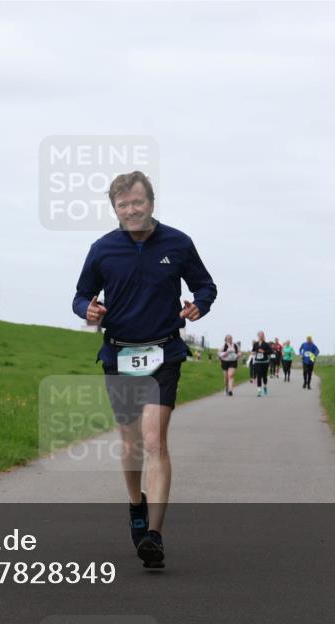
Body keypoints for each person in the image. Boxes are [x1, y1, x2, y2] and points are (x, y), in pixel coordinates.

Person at [72, 171, 216, 568]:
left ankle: (154, 533)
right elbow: (80, 294)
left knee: (154, 441)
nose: (131, 210)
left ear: (151, 203)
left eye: (137, 202)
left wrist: (198, 304)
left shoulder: (178, 243)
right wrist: (88, 308)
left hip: (163, 353)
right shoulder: (103, 249)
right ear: (115, 209)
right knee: (133, 442)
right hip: (119, 355)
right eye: (123, 205)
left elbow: (206, 286)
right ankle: (136, 503)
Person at [252, 331, 273, 397]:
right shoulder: (255, 344)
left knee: (264, 376)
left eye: (262, 335)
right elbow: (253, 350)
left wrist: (264, 352)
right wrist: (253, 353)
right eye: (259, 335)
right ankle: (259, 391)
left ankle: (265, 386)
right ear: (258, 336)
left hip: (264, 362)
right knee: (258, 376)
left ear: (263, 336)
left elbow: (270, 352)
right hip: (257, 362)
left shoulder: (266, 344)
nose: (261, 336)